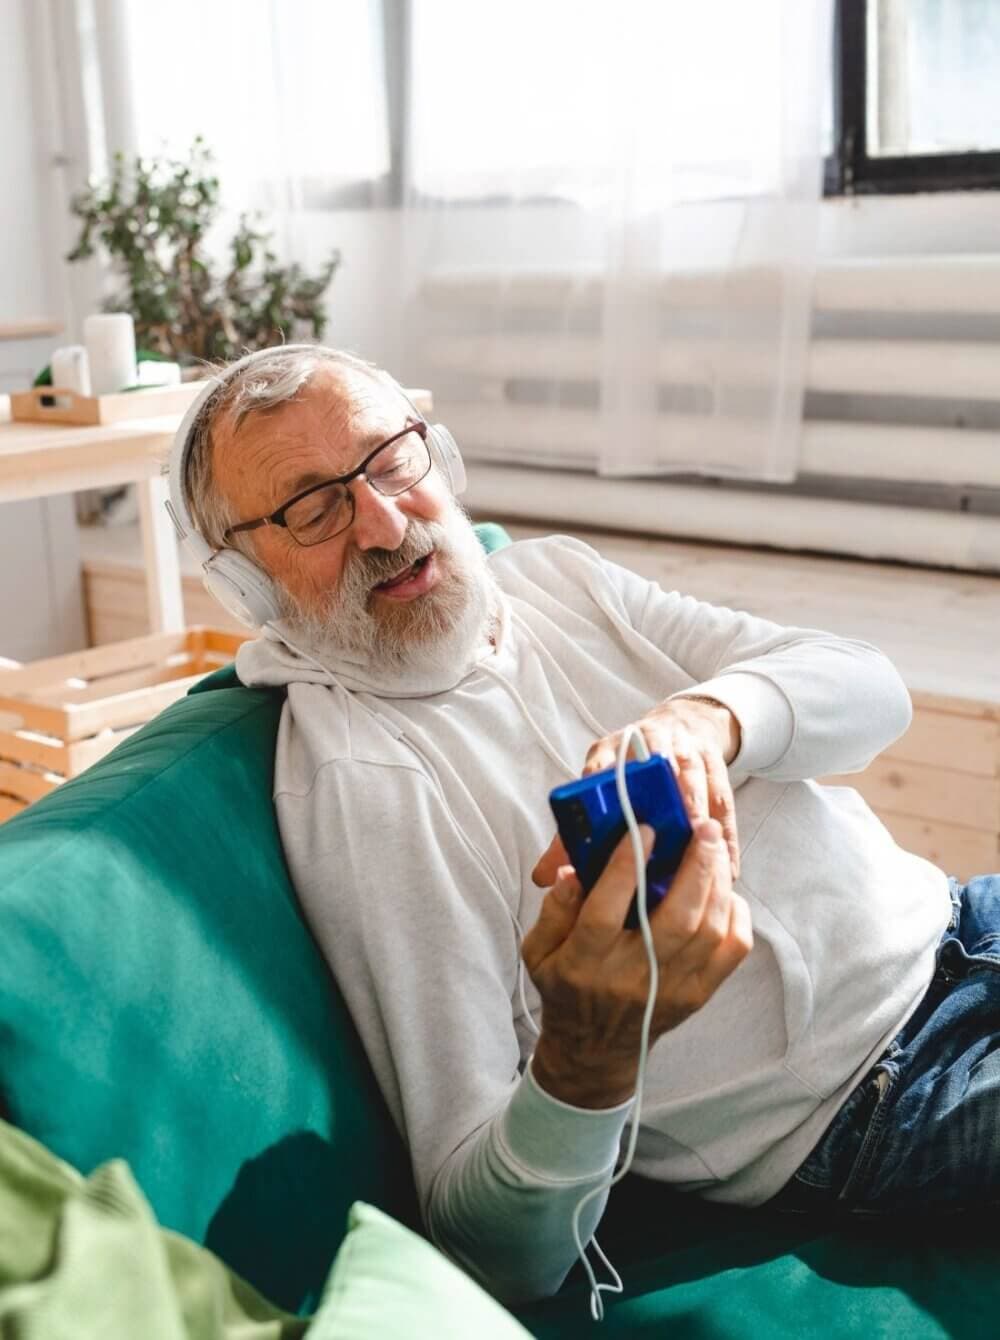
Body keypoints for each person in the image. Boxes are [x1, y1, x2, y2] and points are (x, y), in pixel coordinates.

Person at [170, 343, 993, 1307]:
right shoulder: (368, 785)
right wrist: (586, 1054)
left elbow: (869, 690)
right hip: (881, 1099)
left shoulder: (552, 582)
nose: (385, 522)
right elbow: (490, 1247)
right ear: (246, 585)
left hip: (960, 924)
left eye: (391, 460)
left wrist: (710, 718)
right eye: (313, 507)